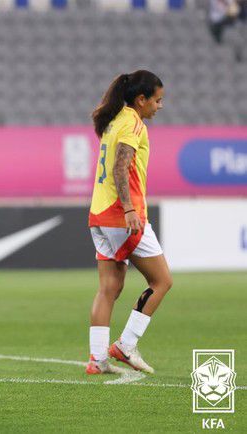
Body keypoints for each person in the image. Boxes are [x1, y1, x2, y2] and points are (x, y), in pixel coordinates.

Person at [86, 70, 173, 375]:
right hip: (122, 215)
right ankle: (126, 345)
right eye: (157, 100)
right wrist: (128, 209)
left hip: (99, 215)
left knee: (109, 288)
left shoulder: (113, 120)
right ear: (141, 99)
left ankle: (97, 360)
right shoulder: (132, 123)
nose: (160, 106)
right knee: (162, 281)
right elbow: (120, 167)